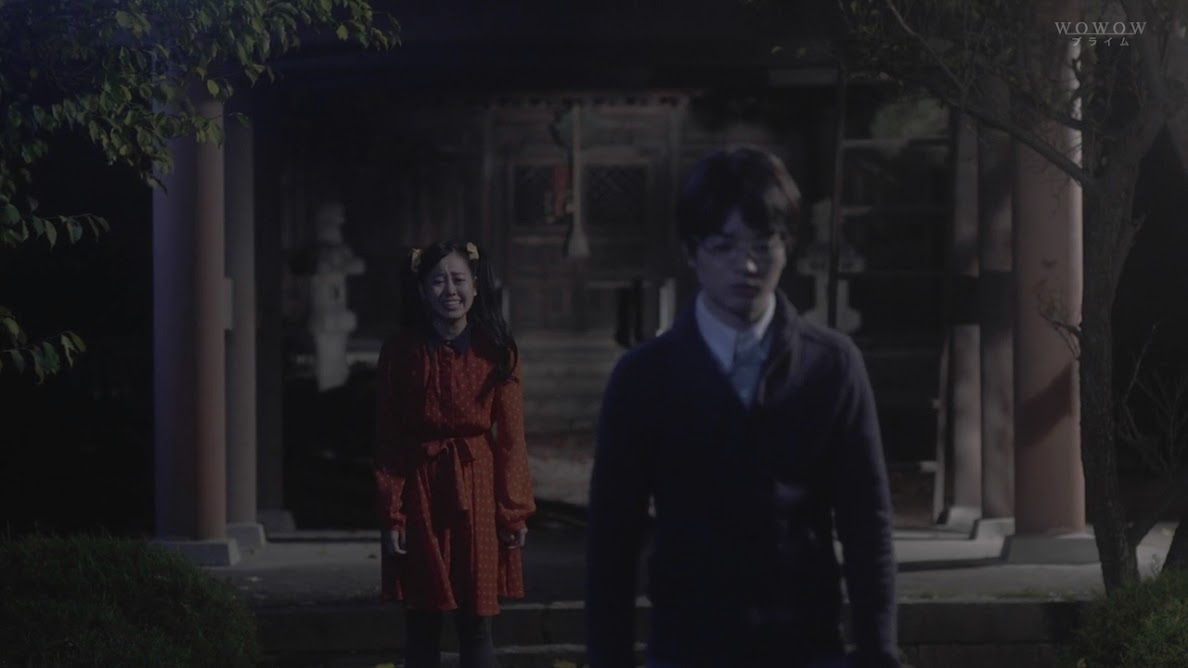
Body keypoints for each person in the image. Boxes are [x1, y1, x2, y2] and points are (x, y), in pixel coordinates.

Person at [584, 147, 899, 668]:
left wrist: (879, 654)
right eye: (724, 246)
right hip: (689, 647)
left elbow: (868, 525)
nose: (747, 265)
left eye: (762, 244)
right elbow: (612, 540)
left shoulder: (831, 366)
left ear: (786, 246)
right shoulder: (644, 378)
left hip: (805, 645)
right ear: (692, 252)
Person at [374, 239, 536, 668]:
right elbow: (389, 437)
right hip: (420, 488)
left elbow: (511, 439)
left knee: (476, 623)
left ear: (475, 286)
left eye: (459, 280)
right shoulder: (400, 353)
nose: (450, 290)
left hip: (477, 486)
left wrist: (513, 512)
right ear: (422, 289)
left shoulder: (497, 351)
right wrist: (393, 513)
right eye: (438, 281)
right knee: (421, 621)